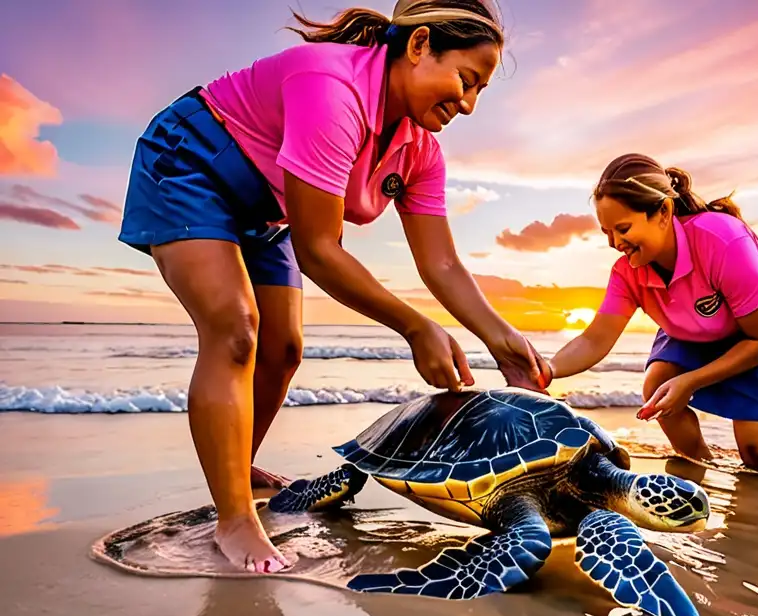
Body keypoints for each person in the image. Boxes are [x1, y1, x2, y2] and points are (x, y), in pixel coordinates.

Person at [117, 0, 550, 574]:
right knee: (237, 329)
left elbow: (441, 264)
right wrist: (414, 326)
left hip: (269, 207)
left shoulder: (421, 151)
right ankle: (235, 519)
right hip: (193, 161)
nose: (467, 104)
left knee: (285, 348)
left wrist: (504, 341)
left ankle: (234, 465)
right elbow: (321, 251)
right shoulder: (332, 85)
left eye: (479, 92)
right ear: (419, 46)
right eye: (465, 80)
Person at [546, 154, 758, 474]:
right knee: (658, 387)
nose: (615, 243)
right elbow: (595, 339)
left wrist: (691, 381)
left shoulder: (722, 240)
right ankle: (702, 473)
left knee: (756, 450)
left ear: (663, 211)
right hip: (698, 326)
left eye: (623, 228)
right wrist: (547, 369)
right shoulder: (627, 271)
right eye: (607, 232)